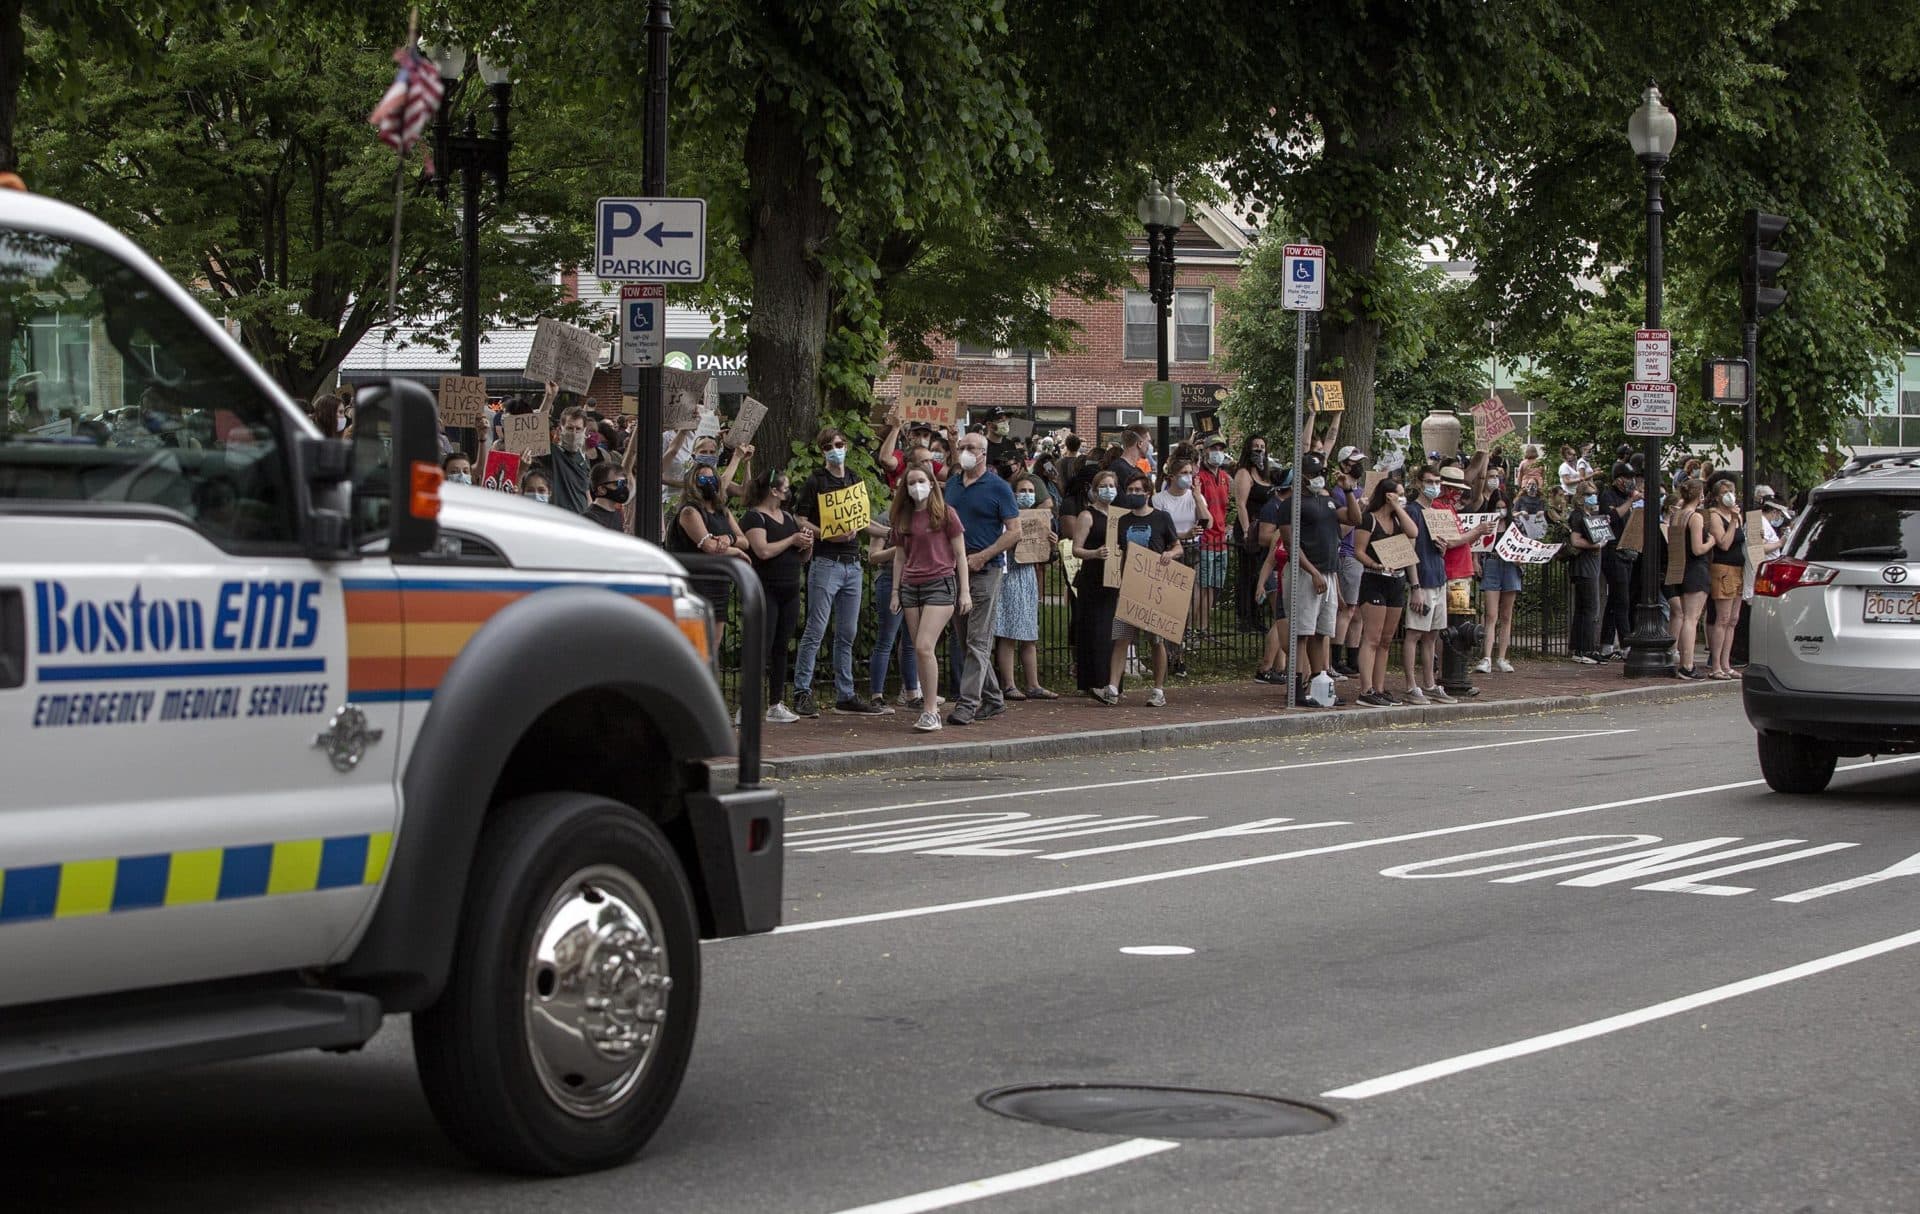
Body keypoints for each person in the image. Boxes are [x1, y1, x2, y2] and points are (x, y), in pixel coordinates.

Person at [792, 426, 890, 717]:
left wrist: (892, 532)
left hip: (852, 564)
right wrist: (825, 534)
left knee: (847, 632)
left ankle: (845, 693)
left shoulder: (854, 479)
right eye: (830, 445)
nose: (837, 449)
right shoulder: (816, 481)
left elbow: (862, 521)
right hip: (826, 562)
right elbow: (799, 518)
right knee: (816, 629)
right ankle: (802, 691)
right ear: (822, 451)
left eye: (840, 444)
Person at [945, 431, 1021, 725]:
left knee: (978, 639)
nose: (964, 451)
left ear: (983, 453)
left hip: (985, 570)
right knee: (966, 640)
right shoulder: (952, 485)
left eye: (970, 447)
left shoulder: (998, 488)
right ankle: (993, 698)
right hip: (955, 569)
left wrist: (984, 555)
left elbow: (1014, 531)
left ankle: (968, 703)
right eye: (961, 446)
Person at [887, 464, 969, 732]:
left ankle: (932, 710)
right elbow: (899, 556)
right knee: (922, 651)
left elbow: (959, 555)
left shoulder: (946, 513)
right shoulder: (903, 516)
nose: (916, 486)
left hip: (940, 584)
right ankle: (927, 707)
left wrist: (965, 591)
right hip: (911, 586)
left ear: (932, 483)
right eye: (911, 482)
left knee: (923, 645)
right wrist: (895, 591)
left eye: (921, 480)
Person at [1093, 468, 1178, 707]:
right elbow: (1119, 551)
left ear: (1148, 493)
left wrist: (1169, 554)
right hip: (1128, 586)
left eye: (1138, 490)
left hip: (1153, 588)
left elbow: (1177, 546)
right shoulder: (1122, 520)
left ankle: (1158, 689)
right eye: (1130, 490)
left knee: (1156, 640)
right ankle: (1112, 687)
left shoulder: (1162, 518)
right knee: (1121, 637)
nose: (1133, 494)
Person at [741, 469, 813, 723]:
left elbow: (800, 556)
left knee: (781, 647)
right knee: (763, 644)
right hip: (766, 588)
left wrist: (805, 545)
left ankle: (776, 702)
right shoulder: (754, 518)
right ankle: (747, 704)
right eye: (786, 488)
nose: (788, 492)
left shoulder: (787, 517)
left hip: (790, 588)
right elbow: (762, 551)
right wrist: (792, 539)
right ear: (773, 490)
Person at [1279, 453, 1345, 704]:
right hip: (1307, 573)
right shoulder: (1291, 504)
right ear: (1303, 476)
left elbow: (1354, 518)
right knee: (1302, 631)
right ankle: (1295, 687)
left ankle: (1320, 685)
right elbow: (1290, 543)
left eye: (1322, 474)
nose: (1319, 479)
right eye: (1314, 474)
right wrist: (1313, 571)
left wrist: (1347, 490)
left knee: (1321, 631)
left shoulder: (1327, 501)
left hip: (1328, 571)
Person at [1351, 475, 1418, 706]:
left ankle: (1380, 687)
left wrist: (1398, 508)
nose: (1401, 498)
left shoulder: (1398, 519)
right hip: (1375, 579)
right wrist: (1374, 564)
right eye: (1397, 494)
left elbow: (1413, 532)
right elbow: (1358, 550)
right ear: (1387, 495)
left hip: (1396, 580)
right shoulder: (1369, 519)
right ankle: (1366, 688)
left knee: (1386, 639)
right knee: (1373, 636)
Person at [664, 463, 747, 648]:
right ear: (694, 483)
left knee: (713, 645)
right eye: (703, 479)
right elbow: (708, 546)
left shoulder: (722, 511)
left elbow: (744, 540)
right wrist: (736, 551)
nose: (709, 483)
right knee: (694, 645)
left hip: (719, 583)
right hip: (696, 584)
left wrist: (729, 538)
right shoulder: (689, 511)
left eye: (712, 479)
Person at [995, 473, 1057, 702]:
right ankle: (1009, 684)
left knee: (1030, 633)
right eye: (1022, 491)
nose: (1027, 495)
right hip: (1010, 575)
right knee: (1009, 632)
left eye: (1031, 491)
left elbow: (1047, 558)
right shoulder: (1005, 519)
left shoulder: (1040, 518)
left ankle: (1033, 684)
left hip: (1028, 576)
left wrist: (1051, 545)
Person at [1150, 455, 1209, 677]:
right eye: (1183, 473)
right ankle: (1165, 651)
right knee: (1168, 604)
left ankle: (1178, 654)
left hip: (1191, 551)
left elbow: (1207, 521)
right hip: (1170, 551)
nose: (1188, 477)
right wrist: (1182, 534)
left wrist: (1196, 496)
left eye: (1190, 473)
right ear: (1172, 476)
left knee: (1184, 606)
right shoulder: (1159, 499)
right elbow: (1163, 529)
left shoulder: (1194, 497)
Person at [1403, 465, 1454, 704]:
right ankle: (1411, 685)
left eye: (1437, 481)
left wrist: (1443, 550)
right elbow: (1409, 552)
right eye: (1430, 481)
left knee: (1432, 635)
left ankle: (1430, 683)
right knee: (1414, 633)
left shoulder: (1436, 512)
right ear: (1419, 483)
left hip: (1437, 576)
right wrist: (1415, 587)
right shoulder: (1412, 511)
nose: (1434, 485)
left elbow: (1440, 547)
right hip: (1422, 581)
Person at [1070, 468, 1123, 696]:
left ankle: (1112, 681)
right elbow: (1076, 549)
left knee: (1113, 632)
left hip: (1115, 578)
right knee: (1096, 631)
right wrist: (1095, 553)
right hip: (1093, 579)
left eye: (1112, 486)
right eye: (1104, 486)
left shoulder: (1119, 515)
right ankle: (1094, 680)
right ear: (1094, 490)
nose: (1108, 490)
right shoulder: (1087, 515)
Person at [1330, 445, 1369, 676]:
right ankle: (1336, 656)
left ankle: (1353, 657)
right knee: (1347, 608)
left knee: (1359, 611)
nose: (1358, 466)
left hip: (1362, 553)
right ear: (1344, 465)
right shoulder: (1338, 494)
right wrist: (1359, 509)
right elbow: (1341, 529)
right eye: (1354, 462)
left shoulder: (1362, 490)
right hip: (1348, 552)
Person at [1666, 479, 1711, 679]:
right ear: (1700, 495)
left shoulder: (1676, 515)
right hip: (1696, 568)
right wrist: (1711, 541)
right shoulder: (1695, 517)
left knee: (1684, 616)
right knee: (1691, 619)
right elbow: (1697, 548)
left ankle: (1683, 660)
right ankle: (1688, 664)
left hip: (1680, 567)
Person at [1597, 462, 1641, 662]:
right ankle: (1626, 644)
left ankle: (1606, 644)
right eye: (1626, 477)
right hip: (1613, 552)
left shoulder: (1627, 498)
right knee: (1621, 599)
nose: (1630, 481)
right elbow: (1611, 517)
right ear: (1617, 479)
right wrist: (1630, 502)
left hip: (1628, 552)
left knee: (1616, 600)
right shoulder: (1608, 496)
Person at [1232, 435, 1274, 632]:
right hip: (1249, 527)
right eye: (1255, 447)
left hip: (1264, 529)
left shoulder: (1266, 476)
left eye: (1262, 447)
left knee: (1260, 573)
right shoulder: (1244, 473)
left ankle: (1257, 614)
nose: (1259, 450)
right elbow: (1240, 504)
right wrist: (1247, 530)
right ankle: (1245, 616)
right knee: (1247, 573)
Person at [1705, 480, 1746, 679]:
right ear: (1716, 496)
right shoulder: (1715, 516)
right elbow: (1723, 544)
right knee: (1722, 618)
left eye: (1731, 491)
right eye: (1724, 492)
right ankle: (1716, 666)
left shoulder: (1737, 516)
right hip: (1723, 568)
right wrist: (1732, 521)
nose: (1729, 494)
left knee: (1733, 619)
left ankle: (1726, 663)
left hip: (1739, 569)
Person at [1194, 437, 1233, 635]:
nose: (1217, 451)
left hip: (1222, 541)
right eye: (1213, 448)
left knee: (1214, 587)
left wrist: (1230, 525)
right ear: (1205, 451)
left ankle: (1204, 625)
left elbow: (1231, 505)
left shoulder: (1226, 477)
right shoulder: (1199, 477)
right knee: (1202, 585)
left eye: (1220, 448)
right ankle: (1197, 628)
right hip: (1205, 540)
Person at [1566, 481, 1608, 663]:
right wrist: (1596, 545)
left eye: (1595, 493)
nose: (1594, 496)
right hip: (1584, 567)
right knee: (1589, 609)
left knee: (1585, 609)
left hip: (1590, 566)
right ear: (1582, 497)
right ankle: (1585, 649)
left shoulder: (1589, 515)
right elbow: (1575, 540)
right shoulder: (1578, 516)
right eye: (1590, 493)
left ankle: (1580, 648)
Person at [586, 462, 634, 531]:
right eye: (619, 484)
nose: (624, 488)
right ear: (601, 489)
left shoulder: (617, 514)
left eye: (625, 483)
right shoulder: (590, 519)